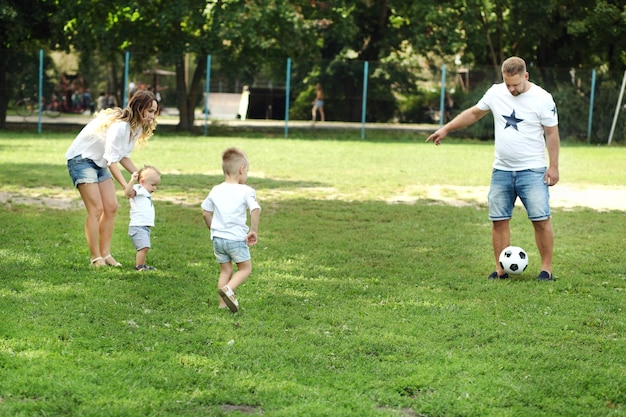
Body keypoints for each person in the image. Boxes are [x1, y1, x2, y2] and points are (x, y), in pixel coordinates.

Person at [426, 56, 560, 281]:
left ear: (526, 76)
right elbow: (474, 113)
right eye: (507, 83)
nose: (511, 89)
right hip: (502, 171)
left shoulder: (542, 98)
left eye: (515, 84)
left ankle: (546, 270)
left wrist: (553, 166)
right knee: (499, 220)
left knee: (541, 219)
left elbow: (551, 133)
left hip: (533, 171)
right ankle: (500, 270)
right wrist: (446, 129)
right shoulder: (496, 92)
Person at [65, 90, 158, 267]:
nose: (153, 116)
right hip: (81, 159)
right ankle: (95, 258)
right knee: (96, 209)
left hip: (99, 162)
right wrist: (126, 185)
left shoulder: (136, 128)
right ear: (139, 108)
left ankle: (106, 254)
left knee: (112, 206)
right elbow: (111, 160)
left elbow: (122, 156)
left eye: (155, 112)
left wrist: (142, 177)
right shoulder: (120, 126)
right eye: (150, 111)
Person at [201, 148, 261, 312]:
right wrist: (253, 230)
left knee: (225, 270)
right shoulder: (246, 190)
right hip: (235, 239)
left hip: (218, 239)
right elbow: (255, 209)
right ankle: (229, 290)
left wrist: (213, 230)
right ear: (242, 169)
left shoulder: (216, 189)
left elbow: (206, 212)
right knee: (245, 268)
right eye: (247, 171)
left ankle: (222, 305)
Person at [124, 166, 161, 271]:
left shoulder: (144, 191)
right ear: (142, 181)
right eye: (153, 185)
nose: (154, 188)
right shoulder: (138, 188)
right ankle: (139, 266)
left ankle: (143, 265)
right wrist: (132, 180)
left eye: (156, 185)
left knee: (145, 247)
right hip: (138, 226)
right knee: (143, 247)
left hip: (143, 226)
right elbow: (128, 193)